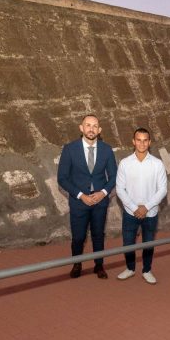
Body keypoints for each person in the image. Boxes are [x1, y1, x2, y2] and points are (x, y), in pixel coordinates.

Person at [57, 114, 117, 279]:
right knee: (78, 237)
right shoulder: (70, 149)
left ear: (99, 130)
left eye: (95, 126)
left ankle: (99, 265)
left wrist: (103, 193)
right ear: (81, 128)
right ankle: (77, 264)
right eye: (88, 125)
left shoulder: (106, 149)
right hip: (79, 202)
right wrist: (80, 195)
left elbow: (113, 176)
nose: (91, 129)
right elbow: (62, 178)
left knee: (98, 234)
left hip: (100, 201)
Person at [115, 128, 168, 285]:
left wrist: (146, 207)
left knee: (148, 242)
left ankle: (146, 270)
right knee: (128, 242)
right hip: (130, 212)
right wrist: (134, 207)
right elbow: (119, 188)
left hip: (150, 212)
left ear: (150, 142)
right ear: (133, 141)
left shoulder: (157, 164)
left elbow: (163, 189)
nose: (142, 143)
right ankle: (130, 268)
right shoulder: (125, 163)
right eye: (139, 140)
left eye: (145, 140)